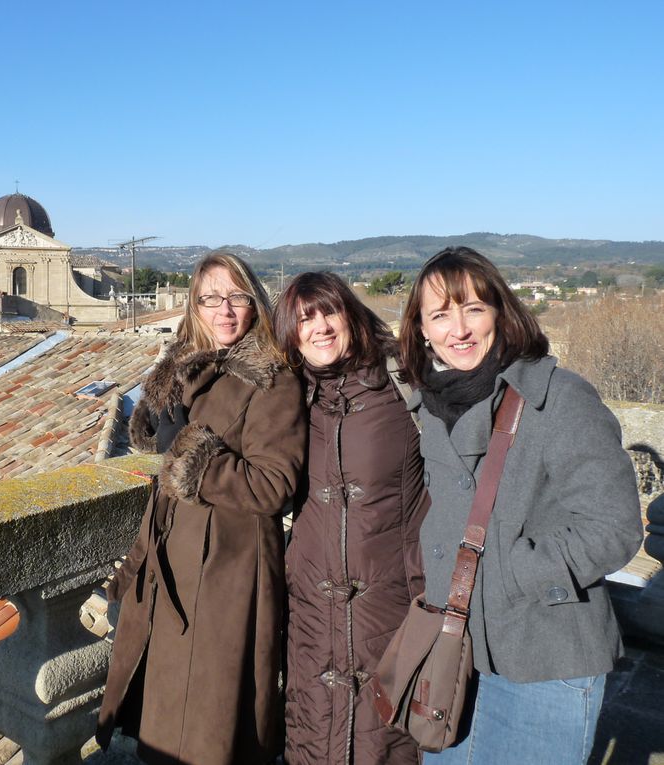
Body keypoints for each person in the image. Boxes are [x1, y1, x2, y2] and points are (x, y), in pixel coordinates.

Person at [398, 246, 643, 764]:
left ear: (499, 313)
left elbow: (615, 525)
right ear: (421, 329)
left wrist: (511, 573)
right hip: (453, 657)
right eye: (440, 314)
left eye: (473, 309)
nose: (458, 329)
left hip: (545, 660)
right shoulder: (430, 405)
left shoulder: (561, 397)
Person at [96, 251, 306, 765]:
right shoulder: (184, 369)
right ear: (195, 305)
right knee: (162, 713)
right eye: (211, 298)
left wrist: (190, 453)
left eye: (237, 297)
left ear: (255, 302)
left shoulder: (272, 379)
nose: (225, 310)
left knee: (209, 724)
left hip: (226, 573)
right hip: (171, 563)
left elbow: (273, 484)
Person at [274, 272, 427, 765]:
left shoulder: (407, 385)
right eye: (304, 318)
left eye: (328, 312)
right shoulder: (286, 398)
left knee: (386, 738)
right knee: (314, 736)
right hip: (312, 616)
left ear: (351, 315)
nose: (319, 327)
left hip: (393, 609)